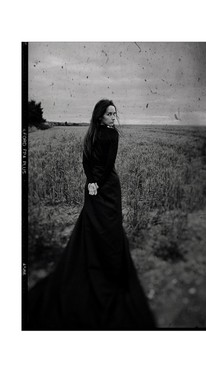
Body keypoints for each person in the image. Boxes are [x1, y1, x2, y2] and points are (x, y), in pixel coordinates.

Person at [26, 99, 155, 330]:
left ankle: (108, 266)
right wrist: (91, 181)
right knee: (92, 223)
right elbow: (86, 161)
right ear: (99, 116)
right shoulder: (92, 135)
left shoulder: (112, 135)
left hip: (107, 186)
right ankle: (92, 262)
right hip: (94, 185)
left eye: (115, 113)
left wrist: (95, 182)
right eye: (109, 114)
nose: (113, 117)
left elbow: (108, 164)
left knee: (110, 224)